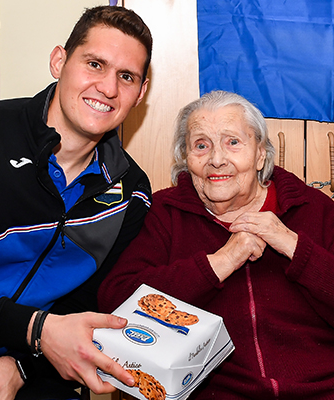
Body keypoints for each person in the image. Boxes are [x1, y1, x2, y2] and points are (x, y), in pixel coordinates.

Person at [0, 5, 152, 400]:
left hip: (31, 371)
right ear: (59, 61)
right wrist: (35, 329)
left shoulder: (131, 191)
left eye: (126, 76)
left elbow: (88, 308)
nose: (108, 88)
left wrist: (17, 368)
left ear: (141, 92)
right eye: (95, 64)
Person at [98, 90, 334, 399]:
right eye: (201, 145)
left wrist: (294, 247)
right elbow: (115, 302)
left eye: (233, 142)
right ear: (186, 159)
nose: (217, 160)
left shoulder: (312, 208)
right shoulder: (166, 214)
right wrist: (221, 262)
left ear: (260, 154)